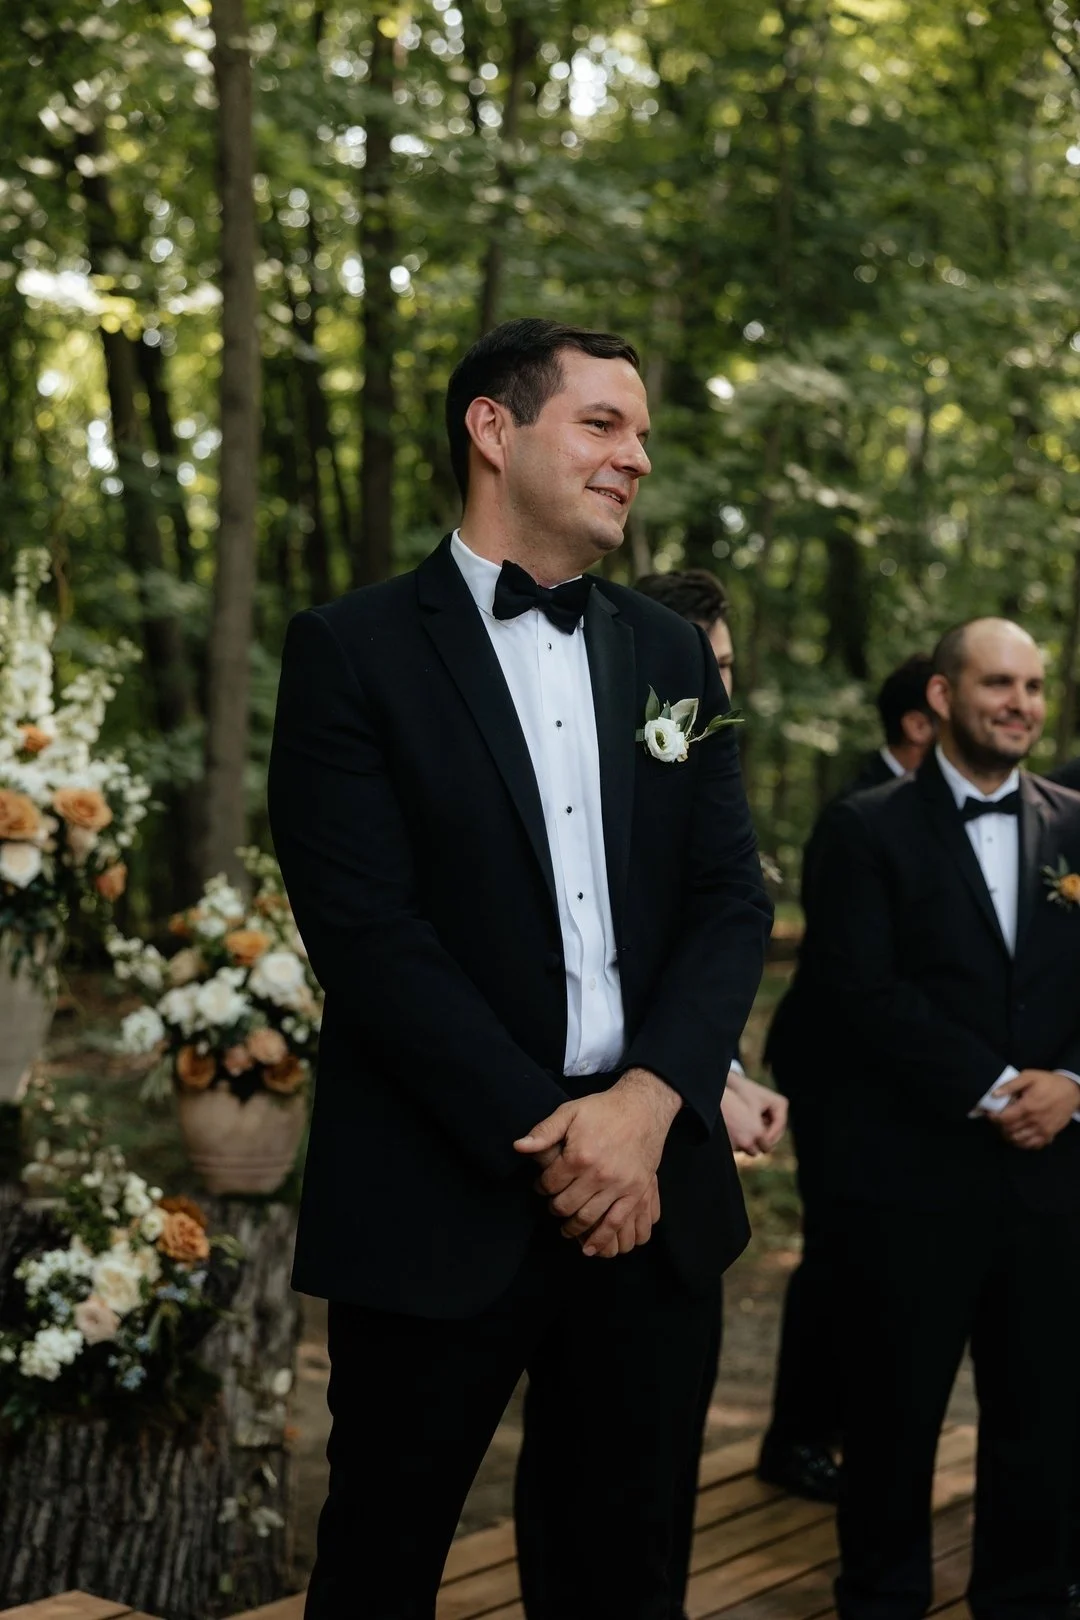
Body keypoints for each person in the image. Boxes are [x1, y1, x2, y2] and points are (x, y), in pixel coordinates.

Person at [268, 317, 773, 1620]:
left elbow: (730, 899)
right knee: (381, 1567)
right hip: (443, 1191)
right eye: (603, 425)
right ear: (494, 430)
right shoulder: (351, 652)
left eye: (644, 434)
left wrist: (647, 1109)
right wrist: (563, 1140)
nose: (636, 459)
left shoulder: (669, 653)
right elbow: (371, 935)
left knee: (622, 1579)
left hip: (654, 1197)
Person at [807, 618, 1080, 1620]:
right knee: (891, 1423)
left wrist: (1076, 1085)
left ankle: (1025, 1598)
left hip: (1052, 1188)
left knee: (1042, 1420)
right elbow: (860, 993)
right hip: (912, 1184)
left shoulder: (1077, 824)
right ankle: (880, 1599)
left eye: (1035, 687)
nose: (1021, 704)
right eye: (999, 683)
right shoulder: (865, 827)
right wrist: (1004, 1084)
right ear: (941, 697)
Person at [758, 654, 934, 1501]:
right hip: (836, 1075)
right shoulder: (856, 814)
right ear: (919, 722)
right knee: (834, 1260)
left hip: (894, 1083)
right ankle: (794, 1441)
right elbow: (847, 970)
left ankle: (853, 1435)